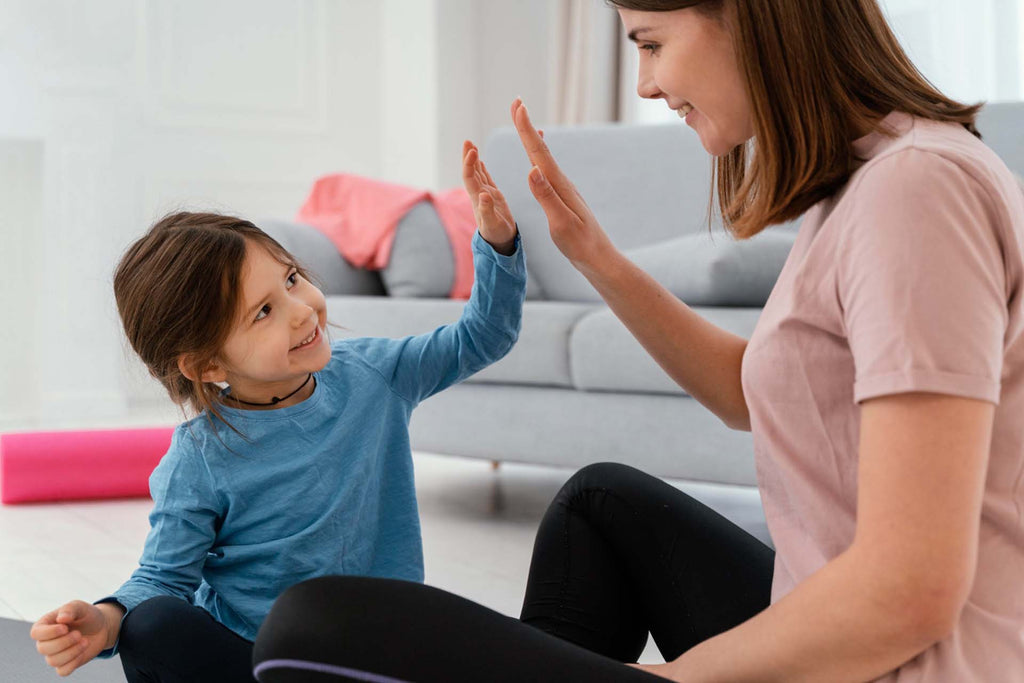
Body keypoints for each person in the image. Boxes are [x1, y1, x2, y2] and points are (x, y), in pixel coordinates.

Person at [251, 1, 1024, 682]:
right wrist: (594, 253)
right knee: (601, 504)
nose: (646, 84)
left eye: (650, 43)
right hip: (846, 626)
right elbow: (750, 392)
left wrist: (683, 677)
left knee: (305, 626)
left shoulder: (916, 193)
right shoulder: (871, 183)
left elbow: (910, 587)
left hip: (913, 663)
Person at [28, 141, 527, 682]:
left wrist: (497, 244)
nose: (301, 311)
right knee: (152, 627)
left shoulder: (374, 374)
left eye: (291, 280)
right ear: (204, 362)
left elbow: (481, 338)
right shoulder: (199, 457)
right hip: (259, 661)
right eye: (263, 312)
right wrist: (106, 620)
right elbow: (163, 579)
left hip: (379, 645)